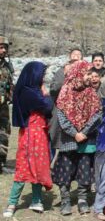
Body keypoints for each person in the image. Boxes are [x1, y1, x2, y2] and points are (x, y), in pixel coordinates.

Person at [52, 60, 103, 216]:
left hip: (86, 140)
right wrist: (75, 133)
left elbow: (97, 114)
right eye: (87, 73)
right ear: (78, 73)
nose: (89, 77)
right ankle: (65, 200)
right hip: (68, 139)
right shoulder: (65, 91)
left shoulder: (91, 93)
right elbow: (61, 115)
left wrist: (84, 132)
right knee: (65, 170)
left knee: (85, 169)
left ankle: (82, 199)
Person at [3, 62, 53, 217]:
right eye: (41, 74)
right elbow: (47, 106)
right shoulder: (28, 92)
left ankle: (36, 200)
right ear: (34, 74)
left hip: (39, 134)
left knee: (38, 165)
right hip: (31, 134)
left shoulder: (32, 90)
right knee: (24, 167)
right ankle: (12, 203)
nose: (43, 78)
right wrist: (46, 95)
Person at [49, 48, 83, 151]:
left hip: (77, 113)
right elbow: (54, 89)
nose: (76, 56)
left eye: (79, 55)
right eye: (74, 54)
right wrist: (65, 73)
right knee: (56, 138)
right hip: (60, 110)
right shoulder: (61, 71)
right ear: (69, 57)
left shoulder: (85, 73)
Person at [0, 36, 13, 174]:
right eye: (1, 47)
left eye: (5, 48)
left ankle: (1, 163)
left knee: (3, 134)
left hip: (3, 107)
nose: (3, 50)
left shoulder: (7, 65)